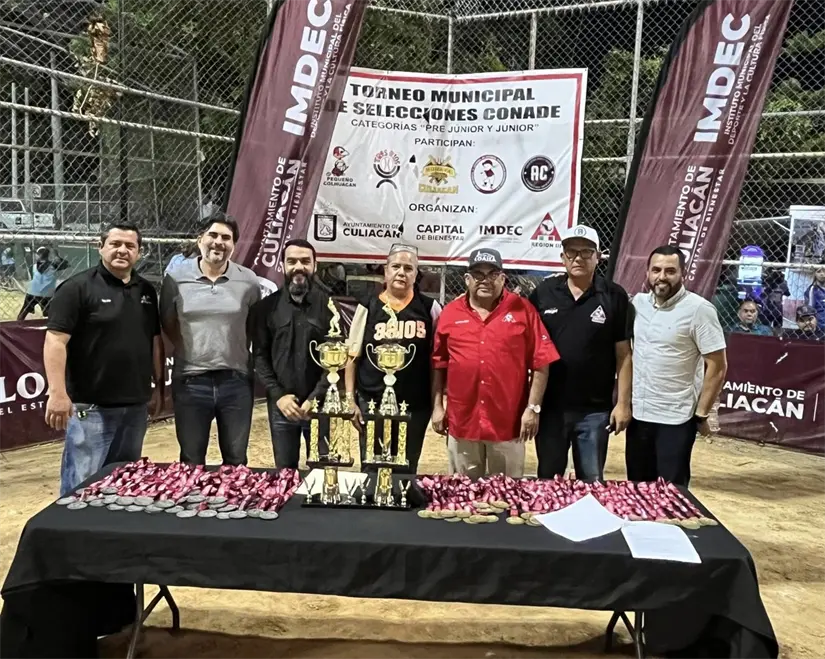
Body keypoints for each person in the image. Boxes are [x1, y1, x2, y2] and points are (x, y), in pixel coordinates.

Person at [43, 222, 163, 497]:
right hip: (91, 409)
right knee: (81, 489)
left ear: (139, 252)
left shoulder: (146, 291)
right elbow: (55, 341)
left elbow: (153, 341)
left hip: (134, 408)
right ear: (100, 247)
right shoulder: (76, 288)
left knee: (125, 484)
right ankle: (72, 538)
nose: (122, 250)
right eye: (115, 244)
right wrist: (58, 393)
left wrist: (157, 388)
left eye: (130, 246)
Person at [431, 248, 559, 479]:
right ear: (467, 279)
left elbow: (542, 362)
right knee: (463, 496)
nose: (485, 280)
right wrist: (438, 406)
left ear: (503, 278)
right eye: (478, 274)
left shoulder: (523, 310)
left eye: (492, 274)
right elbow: (439, 364)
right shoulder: (449, 313)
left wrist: (533, 409)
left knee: (507, 497)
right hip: (463, 423)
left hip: (507, 424)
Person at [528, 226, 632, 481]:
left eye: (587, 252)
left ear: (598, 257)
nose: (579, 258)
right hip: (551, 408)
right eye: (572, 252)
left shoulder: (614, 296)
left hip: (594, 411)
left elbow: (624, 355)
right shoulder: (543, 293)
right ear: (562, 257)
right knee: (548, 481)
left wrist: (622, 404)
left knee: (591, 483)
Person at [160, 211, 260, 466]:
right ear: (199, 239)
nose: (219, 242)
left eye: (226, 237)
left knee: (236, 459)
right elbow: (168, 324)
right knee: (191, 460)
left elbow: (252, 327)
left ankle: (237, 505)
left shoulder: (248, 280)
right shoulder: (175, 278)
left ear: (234, 245)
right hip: (191, 383)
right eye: (212, 235)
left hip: (236, 382)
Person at [628, 246, 727, 487]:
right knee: (637, 491)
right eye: (656, 270)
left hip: (676, 420)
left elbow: (718, 365)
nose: (662, 277)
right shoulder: (636, 304)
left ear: (683, 273)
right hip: (639, 416)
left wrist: (701, 413)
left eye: (670, 271)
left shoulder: (699, 310)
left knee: (672, 495)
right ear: (648, 273)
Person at [345, 243, 441, 474]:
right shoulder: (367, 305)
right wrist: (350, 399)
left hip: (415, 405)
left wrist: (437, 403)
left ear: (416, 275)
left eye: (408, 268)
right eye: (396, 266)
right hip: (372, 401)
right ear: (385, 271)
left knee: (405, 469)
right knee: (372, 467)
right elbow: (352, 356)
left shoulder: (429, 307)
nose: (401, 273)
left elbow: (437, 362)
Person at [252, 239, 336, 468]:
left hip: (320, 406)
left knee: (323, 475)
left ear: (314, 265)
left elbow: (335, 361)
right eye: (292, 261)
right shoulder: (265, 308)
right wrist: (279, 395)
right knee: (285, 474)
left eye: (305, 261)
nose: (299, 266)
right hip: (282, 407)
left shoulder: (330, 308)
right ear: (283, 266)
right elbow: (260, 357)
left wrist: (315, 397)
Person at [17, 246, 69, 320]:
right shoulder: (53, 266)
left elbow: (29, 260)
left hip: (33, 293)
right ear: (48, 255)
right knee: (50, 315)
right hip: (47, 294)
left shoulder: (34, 266)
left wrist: (28, 252)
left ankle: (18, 325)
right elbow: (66, 264)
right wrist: (57, 256)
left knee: (22, 313)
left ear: (38, 255)